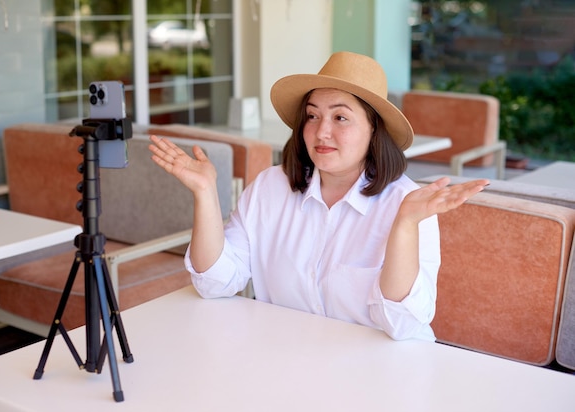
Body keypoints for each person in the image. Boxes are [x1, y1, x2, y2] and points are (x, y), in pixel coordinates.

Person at [148, 51, 489, 341]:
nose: (322, 131)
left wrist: (404, 225)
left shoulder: (410, 206)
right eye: (312, 115)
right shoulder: (270, 187)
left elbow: (404, 325)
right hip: (289, 362)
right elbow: (215, 283)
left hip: (379, 374)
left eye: (341, 117)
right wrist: (205, 193)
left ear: (375, 131)